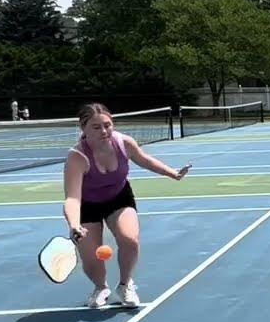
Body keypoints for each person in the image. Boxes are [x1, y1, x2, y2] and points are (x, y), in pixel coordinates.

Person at [62, 103, 191, 308]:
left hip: (119, 198)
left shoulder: (124, 143)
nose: (104, 131)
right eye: (96, 127)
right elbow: (72, 198)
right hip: (87, 205)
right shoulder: (77, 157)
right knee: (91, 259)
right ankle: (100, 287)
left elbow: (145, 160)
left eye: (107, 125)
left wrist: (173, 173)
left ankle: (125, 285)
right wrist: (74, 224)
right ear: (83, 128)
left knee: (129, 239)